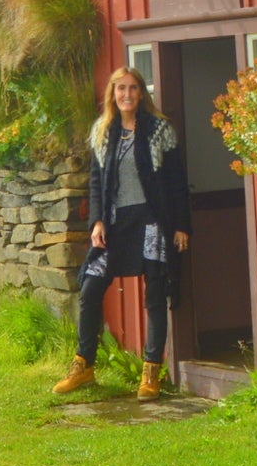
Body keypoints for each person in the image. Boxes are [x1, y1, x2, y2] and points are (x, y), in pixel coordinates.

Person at [53, 65, 190, 399]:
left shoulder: (160, 130)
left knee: (155, 294)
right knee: (90, 287)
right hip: (114, 224)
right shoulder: (102, 130)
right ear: (112, 94)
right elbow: (96, 182)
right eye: (120, 89)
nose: (126, 95)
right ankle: (83, 366)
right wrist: (97, 222)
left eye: (132, 88)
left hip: (151, 222)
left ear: (141, 93)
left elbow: (176, 182)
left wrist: (181, 226)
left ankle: (150, 373)